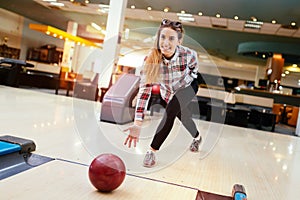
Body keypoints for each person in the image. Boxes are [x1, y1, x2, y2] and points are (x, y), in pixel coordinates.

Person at [124, 19, 202, 168]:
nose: (166, 42)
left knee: (170, 112)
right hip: (167, 93)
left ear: (179, 41)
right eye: (163, 37)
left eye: (171, 38)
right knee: (183, 116)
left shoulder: (189, 55)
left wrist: (184, 83)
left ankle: (151, 151)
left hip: (188, 85)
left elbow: (194, 70)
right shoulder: (150, 61)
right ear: (158, 38)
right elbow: (144, 92)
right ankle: (197, 137)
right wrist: (137, 123)